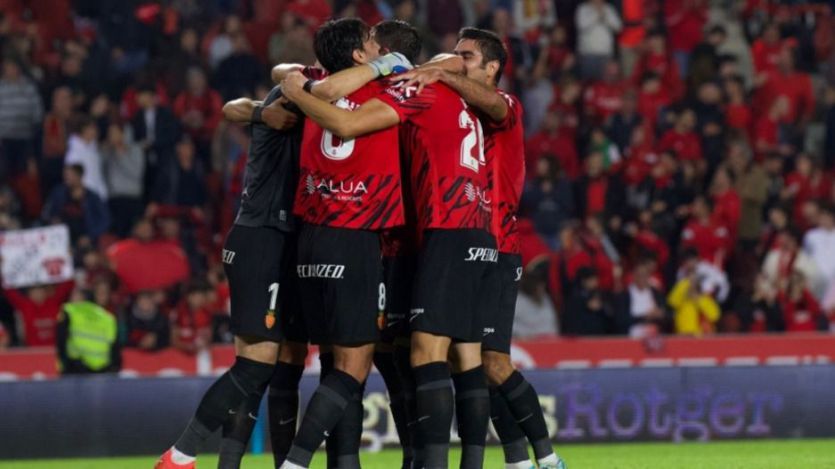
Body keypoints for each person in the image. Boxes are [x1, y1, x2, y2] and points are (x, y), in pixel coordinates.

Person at [281, 23, 495, 469]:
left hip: (415, 233)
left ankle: (417, 461)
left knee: (403, 356)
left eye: (376, 46)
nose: (371, 50)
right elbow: (454, 63)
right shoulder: (422, 81)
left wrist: (297, 91)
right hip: (414, 234)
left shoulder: (407, 87)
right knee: (397, 356)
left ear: (386, 55)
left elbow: (344, 120)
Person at [153, 31, 324, 469]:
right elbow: (245, 102)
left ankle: (235, 463)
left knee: (283, 365)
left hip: (289, 244)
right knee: (254, 366)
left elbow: (240, 107)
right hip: (263, 236)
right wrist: (262, 112)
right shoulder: (296, 97)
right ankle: (180, 455)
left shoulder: (318, 101)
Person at [400, 27, 565, 469]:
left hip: (499, 246)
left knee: (492, 361)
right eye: (454, 54)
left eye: (467, 56)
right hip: (466, 237)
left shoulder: (505, 103)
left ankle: (546, 457)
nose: (457, 61)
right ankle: (517, 461)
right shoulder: (457, 111)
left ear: (492, 67)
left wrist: (442, 74)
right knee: (467, 360)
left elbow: (492, 103)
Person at [42, 164, 110, 244]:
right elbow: (46, 213)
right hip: (61, 238)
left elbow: (106, 220)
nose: (66, 178)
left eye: (70, 175)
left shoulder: (92, 197)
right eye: (65, 175)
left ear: (79, 176)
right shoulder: (58, 193)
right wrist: (52, 220)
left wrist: (90, 236)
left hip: (85, 240)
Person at [56, 295, 121, 374]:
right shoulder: (109, 318)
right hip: (101, 370)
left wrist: (64, 364)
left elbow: (60, 340)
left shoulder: (69, 311)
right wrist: (114, 368)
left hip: (75, 370)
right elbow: (115, 348)